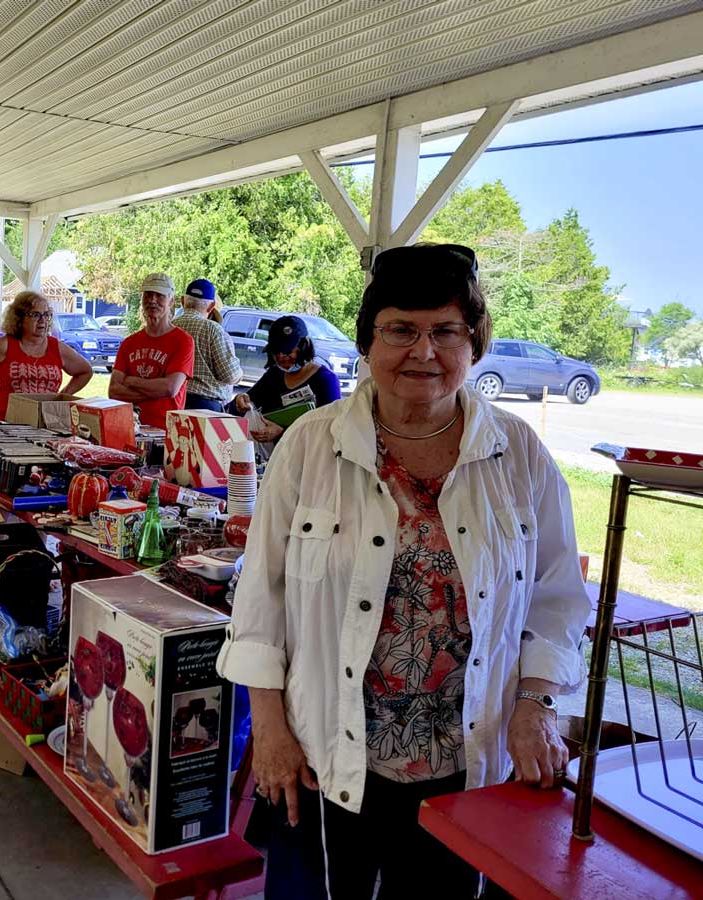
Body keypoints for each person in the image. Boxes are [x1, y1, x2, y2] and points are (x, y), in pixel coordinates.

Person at [217, 244, 591, 898]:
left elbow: (557, 600)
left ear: (474, 344)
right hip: (324, 758)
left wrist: (536, 702)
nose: (424, 352)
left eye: (447, 331)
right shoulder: (313, 444)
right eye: (400, 330)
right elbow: (261, 600)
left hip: (468, 768)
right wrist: (269, 728)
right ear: (367, 342)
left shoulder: (519, 453)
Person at [0, 290, 92, 420]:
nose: (42, 320)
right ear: (19, 318)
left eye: (46, 314)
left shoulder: (58, 348)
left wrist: (62, 396)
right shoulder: (4, 345)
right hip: (7, 423)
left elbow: (85, 371)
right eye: (35, 315)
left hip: (46, 424)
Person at [231, 315, 341, 444]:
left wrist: (283, 432)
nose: (281, 357)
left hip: (309, 457)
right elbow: (246, 402)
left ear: (304, 346)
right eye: (276, 351)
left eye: (288, 351)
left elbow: (332, 428)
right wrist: (240, 401)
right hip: (276, 457)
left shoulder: (326, 380)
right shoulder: (274, 375)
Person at [108, 273, 195, 428]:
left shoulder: (183, 341)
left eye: (159, 295)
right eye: (148, 295)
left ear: (171, 301)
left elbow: (170, 388)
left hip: (166, 432)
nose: (152, 300)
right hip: (129, 428)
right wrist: (155, 391)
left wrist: (131, 381)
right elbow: (114, 391)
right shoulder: (129, 343)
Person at [171, 278, 242, 411]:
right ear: (211, 306)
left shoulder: (170, 327)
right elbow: (230, 375)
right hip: (205, 408)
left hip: (174, 402)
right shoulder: (213, 330)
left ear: (182, 301)